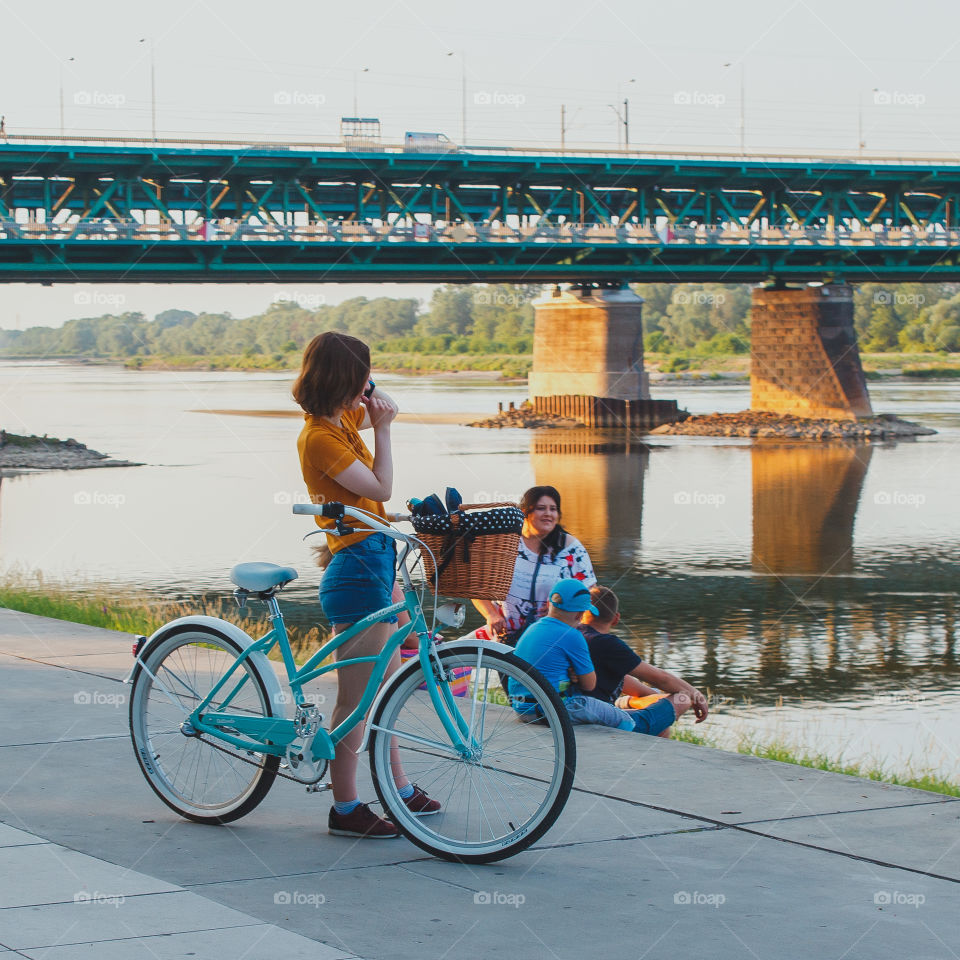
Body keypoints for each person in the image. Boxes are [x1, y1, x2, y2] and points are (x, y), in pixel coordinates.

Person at [294, 332, 439, 838]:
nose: (367, 384)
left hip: (378, 561)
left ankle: (397, 790)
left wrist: (374, 403)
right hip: (356, 569)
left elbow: (379, 403)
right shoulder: (321, 437)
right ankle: (346, 807)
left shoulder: (342, 421)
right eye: (362, 374)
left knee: (390, 688)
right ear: (344, 378)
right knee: (355, 700)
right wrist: (385, 430)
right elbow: (380, 487)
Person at [507, 579, 666, 735]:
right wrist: (576, 675)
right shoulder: (573, 636)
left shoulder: (532, 629)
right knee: (620, 718)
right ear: (580, 615)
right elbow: (589, 684)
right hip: (550, 710)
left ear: (549, 604)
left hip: (521, 709)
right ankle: (639, 729)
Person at [577, 585, 708, 737]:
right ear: (616, 619)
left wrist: (654, 697)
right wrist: (696, 695)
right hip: (595, 718)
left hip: (579, 710)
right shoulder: (606, 643)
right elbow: (661, 679)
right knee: (682, 699)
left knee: (661, 725)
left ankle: (629, 705)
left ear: (582, 613)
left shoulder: (576, 634)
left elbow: (628, 682)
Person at [472, 485, 595, 644]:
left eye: (553, 509)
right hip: (505, 641)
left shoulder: (571, 549)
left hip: (551, 640)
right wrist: (491, 614)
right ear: (525, 512)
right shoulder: (506, 544)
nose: (548, 514)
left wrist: (564, 604)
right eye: (541, 508)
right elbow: (475, 585)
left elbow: (592, 594)